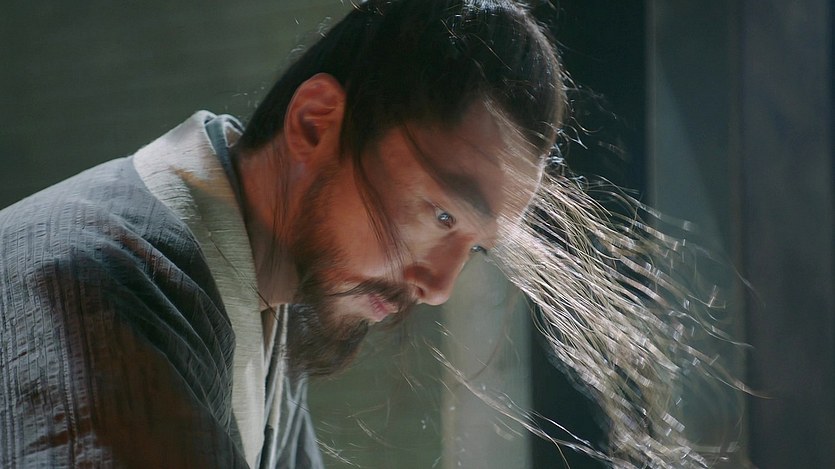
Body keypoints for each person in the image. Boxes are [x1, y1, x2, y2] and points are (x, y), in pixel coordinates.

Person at [0, 1, 736, 468]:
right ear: (314, 122)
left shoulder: (263, 294)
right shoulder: (96, 280)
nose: (438, 286)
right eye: (440, 216)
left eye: (474, 245)